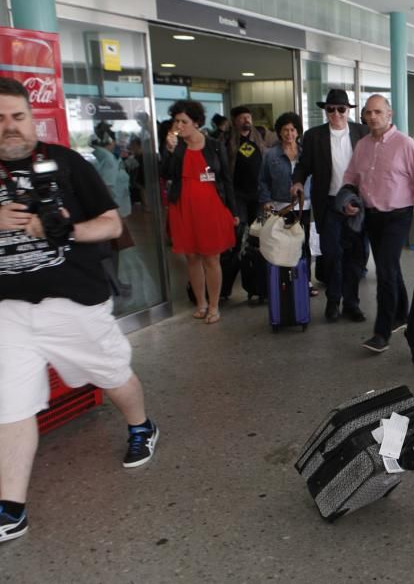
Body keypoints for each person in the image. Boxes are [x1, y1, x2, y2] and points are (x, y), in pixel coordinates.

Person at [0, 77, 158, 544]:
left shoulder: (66, 163)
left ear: (32, 118)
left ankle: (141, 425)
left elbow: (111, 223)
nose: (9, 127)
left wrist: (61, 230)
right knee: (10, 405)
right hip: (8, 309)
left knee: (112, 375)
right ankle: (11, 506)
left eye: (17, 116)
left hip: (73, 302)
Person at [342, 95, 414, 353]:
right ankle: (402, 315)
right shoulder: (362, 146)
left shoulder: (406, 145)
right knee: (390, 266)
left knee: (384, 270)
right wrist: (349, 199)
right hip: (371, 217)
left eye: (378, 112)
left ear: (389, 114)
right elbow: (350, 178)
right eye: (368, 112)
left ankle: (381, 333)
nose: (373, 117)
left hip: (398, 216)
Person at [291, 89, 367, 322]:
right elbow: (304, 166)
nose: (335, 114)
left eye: (341, 109)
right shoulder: (314, 136)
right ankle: (333, 302)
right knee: (332, 255)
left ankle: (352, 303)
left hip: (357, 202)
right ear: (325, 111)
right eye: (330, 109)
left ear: (348, 111)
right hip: (330, 203)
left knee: (356, 256)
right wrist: (297, 182)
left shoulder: (362, 133)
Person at [160, 100, 237, 324]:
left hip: (210, 205)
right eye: (176, 121)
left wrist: (233, 209)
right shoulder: (175, 146)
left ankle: (214, 305)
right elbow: (166, 174)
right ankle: (200, 303)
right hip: (182, 205)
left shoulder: (214, 145)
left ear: (196, 122)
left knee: (211, 257)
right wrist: (170, 150)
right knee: (191, 257)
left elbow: (226, 179)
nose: (179, 125)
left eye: (184, 121)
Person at [259, 112, 319, 296]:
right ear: (279, 132)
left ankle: (306, 281)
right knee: (283, 246)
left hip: (304, 207)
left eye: (292, 130)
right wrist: (266, 200)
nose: (289, 134)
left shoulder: (305, 153)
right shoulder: (271, 155)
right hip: (280, 207)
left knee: (304, 244)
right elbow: (263, 180)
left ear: (298, 131)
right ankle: (283, 281)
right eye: (285, 130)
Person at [225, 106, 267, 225]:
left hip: (258, 190)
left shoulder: (259, 136)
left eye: (248, 117)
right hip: (238, 192)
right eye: (242, 118)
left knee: (258, 226)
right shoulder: (227, 139)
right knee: (240, 225)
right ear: (234, 121)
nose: (246, 120)